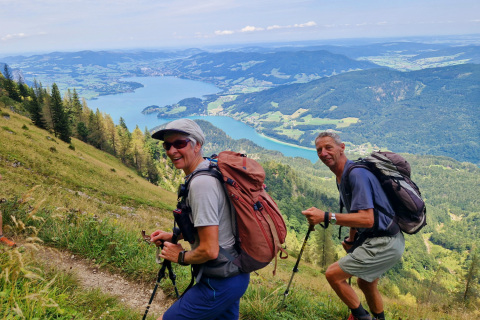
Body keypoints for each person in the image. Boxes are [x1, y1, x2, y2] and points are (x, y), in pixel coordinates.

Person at [149, 119, 250, 320]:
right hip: (234, 274)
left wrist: (180, 256)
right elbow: (216, 228)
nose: (171, 151)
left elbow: (210, 250)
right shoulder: (209, 169)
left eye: (179, 143)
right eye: (167, 145)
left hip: (219, 282)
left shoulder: (201, 184)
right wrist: (175, 236)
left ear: (197, 145)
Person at [302, 132, 405, 320]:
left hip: (385, 241)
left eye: (328, 147)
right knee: (366, 284)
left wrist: (325, 217)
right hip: (382, 239)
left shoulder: (356, 174)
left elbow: (367, 219)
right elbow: (354, 212)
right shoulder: (343, 175)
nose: (323, 153)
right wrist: (351, 240)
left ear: (342, 148)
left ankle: (360, 317)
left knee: (333, 275)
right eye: (319, 150)